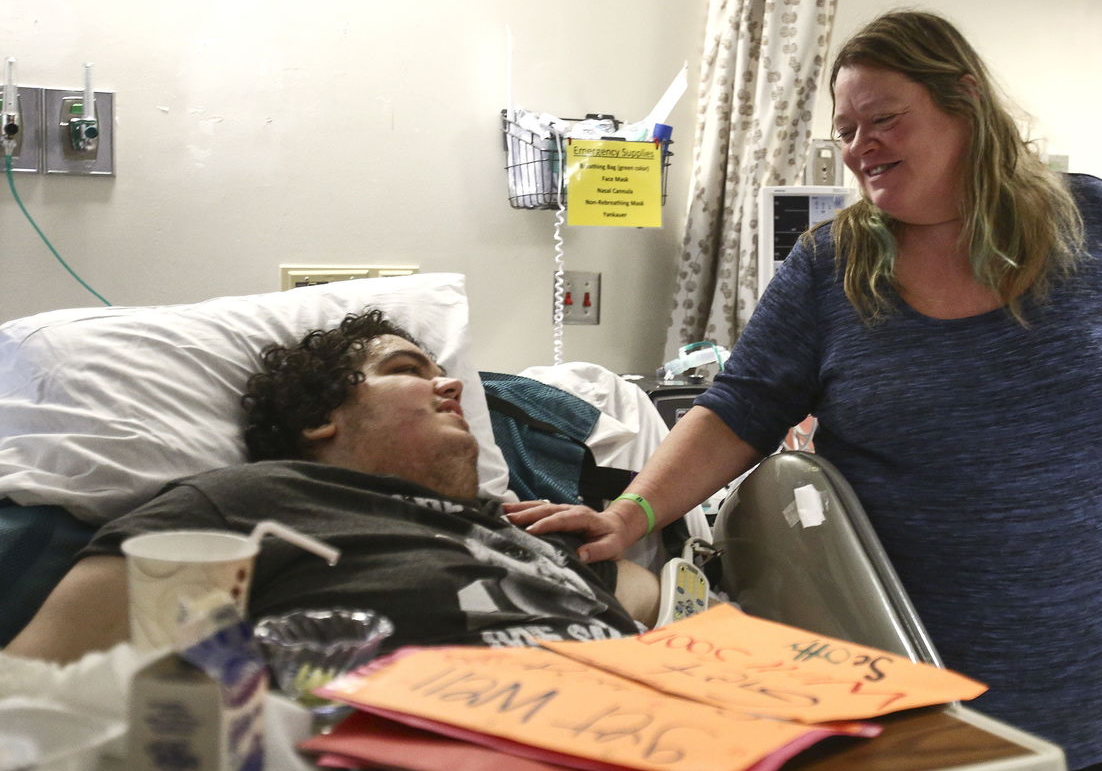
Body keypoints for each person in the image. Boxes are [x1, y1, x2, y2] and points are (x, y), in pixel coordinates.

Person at [507, 9, 1102, 771]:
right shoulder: (830, 268)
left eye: (885, 119)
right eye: (847, 128)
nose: (861, 146)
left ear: (963, 101)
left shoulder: (1094, 223)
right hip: (913, 691)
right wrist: (629, 512)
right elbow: (736, 411)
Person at [6, 309, 659, 665]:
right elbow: (36, 683)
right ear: (321, 416)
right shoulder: (247, 504)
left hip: (657, 755)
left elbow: (647, 595)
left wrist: (603, 550)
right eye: (408, 370)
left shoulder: (512, 527)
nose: (453, 385)